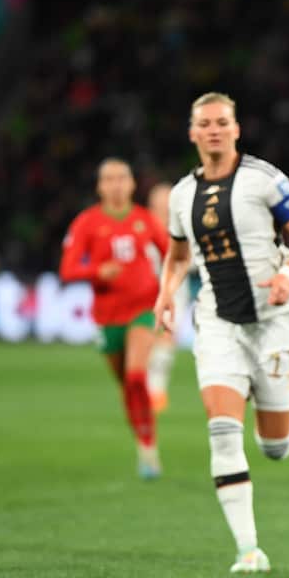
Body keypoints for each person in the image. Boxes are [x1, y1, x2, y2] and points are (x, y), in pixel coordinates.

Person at [154, 92, 289, 574]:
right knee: (223, 431)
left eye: (221, 122)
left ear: (236, 129)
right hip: (217, 324)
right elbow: (178, 254)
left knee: (275, 447)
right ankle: (248, 549)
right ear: (192, 132)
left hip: (274, 322)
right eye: (204, 123)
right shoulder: (181, 195)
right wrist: (166, 291)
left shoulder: (264, 179)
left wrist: (288, 274)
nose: (213, 130)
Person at [59, 158, 169, 479]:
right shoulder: (87, 223)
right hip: (107, 318)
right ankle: (144, 444)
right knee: (128, 387)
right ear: (100, 186)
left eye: (122, 177)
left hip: (143, 310)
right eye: (109, 179)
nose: (116, 184)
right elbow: (67, 269)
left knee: (136, 376)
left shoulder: (145, 220)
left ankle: (149, 448)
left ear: (133, 184)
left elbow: (171, 254)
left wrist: (169, 290)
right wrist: (97, 271)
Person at [144, 181, 180, 413]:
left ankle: (157, 390)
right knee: (145, 337)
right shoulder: (141, 227)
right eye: (160, 200)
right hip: (143, 289)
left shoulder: (180, 228)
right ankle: (144, 387)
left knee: (166, 337)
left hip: (174, 288)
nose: (164, 205)